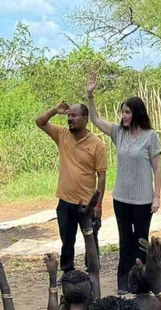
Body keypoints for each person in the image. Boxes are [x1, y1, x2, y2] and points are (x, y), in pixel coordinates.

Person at [87, 72, 161, 294]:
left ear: (137, 113)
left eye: (127, 112)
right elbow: (95, 120)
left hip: (142, 200)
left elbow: (157, 168)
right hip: (121, 198)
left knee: (140, 241)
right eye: (122, 112)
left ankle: (140, 283)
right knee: (124, 241)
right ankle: (123, 282)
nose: (123, 116)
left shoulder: (150, 136)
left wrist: (157, 196)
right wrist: (90, 95)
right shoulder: (118, 133)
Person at [36, 101, 108, 272]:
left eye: (74, 115)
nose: (70, 118)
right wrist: (55, 109)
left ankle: (93, 273)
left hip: (87, 203)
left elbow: (102, 176)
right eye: (68, 115)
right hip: (65, 201)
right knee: (67, 241)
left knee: (91, 240)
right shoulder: (62, 135)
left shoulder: (96, 144)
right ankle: (68, 273)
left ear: (85, 118)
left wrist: (98, 204)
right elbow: (40, 122)